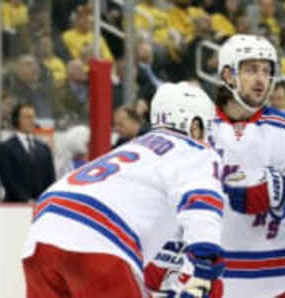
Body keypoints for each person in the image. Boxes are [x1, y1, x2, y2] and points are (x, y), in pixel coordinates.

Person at [21, 83, 226, 298]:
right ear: (194, 125)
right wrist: (204, 268)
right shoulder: (193, 149)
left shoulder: (133, 146)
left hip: (42, 232)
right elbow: (202, 205)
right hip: (99, 240)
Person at [210, 34, 285, 298]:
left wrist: (279, 192)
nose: (260, 79)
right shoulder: (199, 128)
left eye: (266, 71)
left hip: (274, 273)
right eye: (251, 69)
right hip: (210, 270)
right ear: (228, 74)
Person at [0, 103, 55, 202]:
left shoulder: (44, 149)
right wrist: (25, 200)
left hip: (40, 206)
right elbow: (7, 180)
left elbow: (50, 179)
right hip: (14, 207)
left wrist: (44, 200)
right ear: (16, 119)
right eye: (26, 117)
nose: (31, 121)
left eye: (33, 117)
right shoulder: (5, 147)